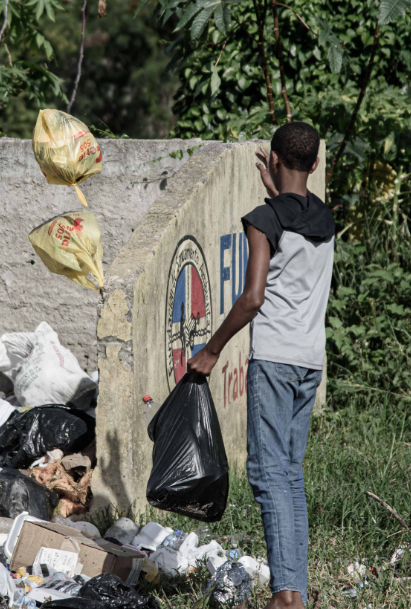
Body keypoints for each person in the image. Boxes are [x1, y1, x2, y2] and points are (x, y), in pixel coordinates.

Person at [187, 122, 335, 609]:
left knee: (268, 474)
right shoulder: (325, 218)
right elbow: (297, 221)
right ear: (314, 165)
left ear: (273, 159)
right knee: (289, 474)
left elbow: (252, 298)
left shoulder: (264, 219)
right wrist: (279, 199)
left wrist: (211, 350)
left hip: (273, 359)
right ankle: (295, 593)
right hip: (310, 362)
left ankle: (284, 597)